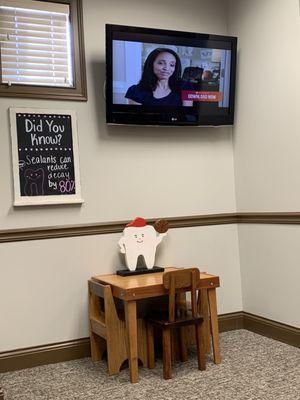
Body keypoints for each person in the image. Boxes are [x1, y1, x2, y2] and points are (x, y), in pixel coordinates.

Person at [125, 48, 193, 107]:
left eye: (172, 65)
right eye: (161, 63)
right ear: (151, 64)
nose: (166, 68)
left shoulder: (186, 87)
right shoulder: (135, 91)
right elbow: (138, 119)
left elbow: (186, 115)